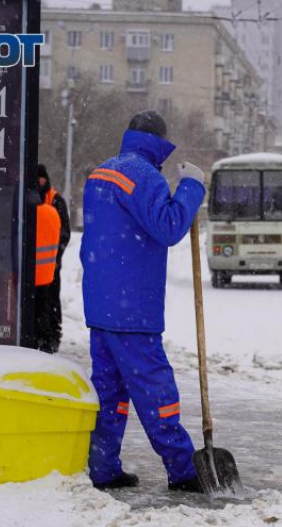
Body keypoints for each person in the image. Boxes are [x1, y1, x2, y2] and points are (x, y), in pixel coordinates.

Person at [81, 110, 206, 492]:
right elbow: (168, 226)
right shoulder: (142, 175)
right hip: (131, 309)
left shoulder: (101, 172)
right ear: (159, 144)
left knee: (109, 393)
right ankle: (183, 470)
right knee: (156, 392)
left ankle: (102, 467)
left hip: (102, 306)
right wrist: (190, 188)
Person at [37, 165, 70, 353]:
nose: (40, 183)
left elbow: (64, 233)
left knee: (51, 300)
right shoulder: (42, 199)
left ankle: (53, 336)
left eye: (42, 179)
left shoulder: (56, 200)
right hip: (40, 265)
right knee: (42, 302)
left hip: (51, 264)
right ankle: (43, 335)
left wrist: (56, 256)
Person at [34, 172, 62, 353]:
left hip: (35, 270)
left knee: (38, 310)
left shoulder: (34, 213)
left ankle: (42, 340)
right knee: (45, 308)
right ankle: (48, 341)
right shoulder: (53, 212)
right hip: (48, 270)